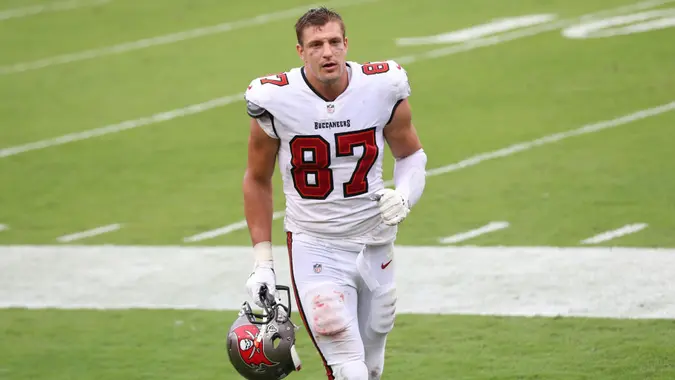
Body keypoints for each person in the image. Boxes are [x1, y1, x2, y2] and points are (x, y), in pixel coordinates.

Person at [241, 6, 427, 380]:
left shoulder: (382, 86)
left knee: (371, 367)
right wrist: (263, 262)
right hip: (316, 243)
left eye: (334, 42)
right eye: (316, 44)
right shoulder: (275, 99)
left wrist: (404, 195)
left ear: (346, 44)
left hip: (375, 240)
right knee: (348, 369)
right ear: (300, 51)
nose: (327, 52)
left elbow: (411, 154)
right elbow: (257, 179)